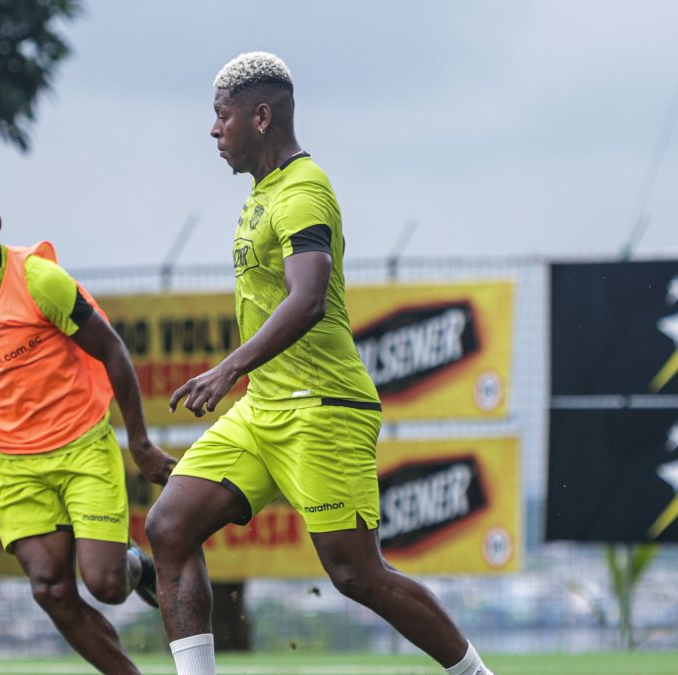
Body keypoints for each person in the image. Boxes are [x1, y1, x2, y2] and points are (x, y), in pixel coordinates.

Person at [146, 53, 495, 675]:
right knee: (169, 527)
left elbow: (306, 301)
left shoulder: (305, 190)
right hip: (265, 409)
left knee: (356, 574)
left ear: (260, 116)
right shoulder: (264, 191)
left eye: (221, 117)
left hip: (324, 407)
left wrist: (227, 369)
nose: (213, 130)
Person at [0, 178, 176, 674]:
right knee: (50, 590)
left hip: (82, 445)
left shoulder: (40, 280)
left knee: (104, 584)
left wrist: (140, 442)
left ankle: (137, 565)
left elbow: (114, 351)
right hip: (16, 463)